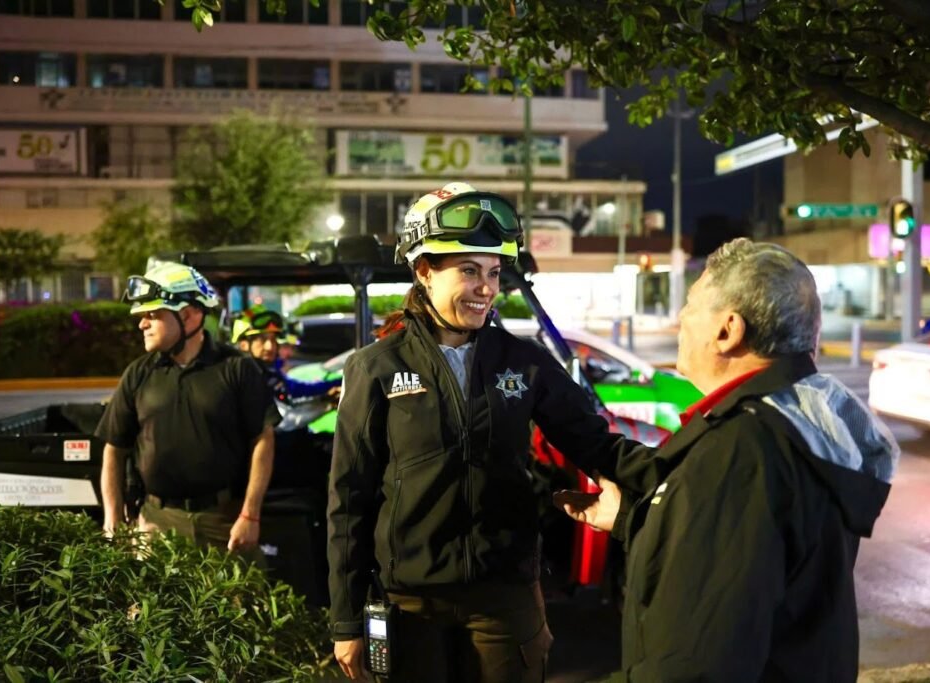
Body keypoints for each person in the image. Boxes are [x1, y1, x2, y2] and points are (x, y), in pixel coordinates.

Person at [327, 182, 653, 683]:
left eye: (495, 273)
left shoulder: (523, 361)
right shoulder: (375, 368)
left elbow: (596, 443)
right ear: (423, 272)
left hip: (506, 598)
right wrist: (347, 619)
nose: (486, 288)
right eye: (469, 271)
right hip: (411, 604)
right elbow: (348, 499)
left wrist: (677, 477)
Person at [556, 238, 900, 682]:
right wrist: (638, 521)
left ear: (727, 330)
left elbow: (692, 667)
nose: (680, 317)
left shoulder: (740, 453)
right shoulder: (798, 421)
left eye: (693, 304)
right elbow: (748, 564)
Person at [96, 262, 281, 559]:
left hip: (224, 521)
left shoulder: (236, 369)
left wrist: (249, 516)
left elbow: (263, 440)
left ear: (188, 315)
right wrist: (113, 517)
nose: (142, 324)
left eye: (152, 315)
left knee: (238, 605)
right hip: (155, 522)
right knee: (150, 606)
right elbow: (114, 448)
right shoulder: (138, 373)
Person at [231, 305, 340, 404]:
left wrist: (340, 383)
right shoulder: (237, 380)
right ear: (243, 345)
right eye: (262, 339)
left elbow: (294, 391)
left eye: (273, 339)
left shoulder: (269, 373)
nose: (270, 347)